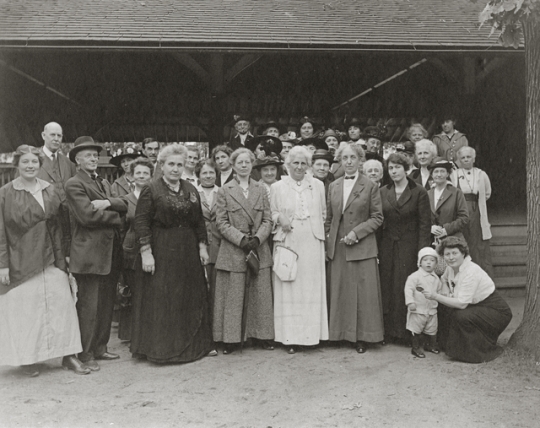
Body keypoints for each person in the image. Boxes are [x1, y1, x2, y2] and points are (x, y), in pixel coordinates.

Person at [0, 145, 88, 377]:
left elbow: (62, 224)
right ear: (17, 165)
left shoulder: (51, 190)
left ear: (40, 166)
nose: (30, 166)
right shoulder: (5, 193)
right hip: (22, 257)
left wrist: (66, 254)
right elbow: (1, 232)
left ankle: (69, 355)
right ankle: (28, 359)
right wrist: (3, 264)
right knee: (27, 310)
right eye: (25, 162)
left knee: (62, 304)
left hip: (53, 254)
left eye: (34, 163)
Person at [131, 143, 213, 363]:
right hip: (162, 247)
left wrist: (202, 247)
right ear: (162, 165)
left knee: (189, 295)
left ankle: (191, 346)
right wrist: (146, 252)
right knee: (164, 297)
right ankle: (163, 351)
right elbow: (141, 222)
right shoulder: (152, 188)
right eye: (171, 164)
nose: (176, 169)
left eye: (180, 164)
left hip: (187, 249)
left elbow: (198, 221)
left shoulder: (190, 189)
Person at [66, 136, 128, 371]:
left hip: (109, 253)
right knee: (89, 307)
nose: (93, 158)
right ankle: (85, 353)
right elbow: (87, 216)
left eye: (95, 155)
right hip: (89, 255)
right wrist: (116, 215)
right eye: (88, 156)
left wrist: (107, 204)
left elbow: (125, 203)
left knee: (105, 304)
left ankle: (100, 347)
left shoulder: (101, 182)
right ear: (78, 161)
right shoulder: (74, 183)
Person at [214, 148, 274, 354]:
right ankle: (231, 339)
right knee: (233, 296)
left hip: (258, 247)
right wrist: (241, 240)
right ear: (233, 165)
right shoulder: (224, 190)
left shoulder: (261, 189)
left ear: (252, 164)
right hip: (234, 250)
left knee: (261, 294)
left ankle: (262, 335)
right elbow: (220, 223)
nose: (243, 165)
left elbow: (268, 219)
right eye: (239, 162)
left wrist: (258, 238)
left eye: (247, 162)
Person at [326, 143, 384, 353]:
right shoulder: (334, 185)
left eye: (353, 158)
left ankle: (362, 337)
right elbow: (329, 218)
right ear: (340, 162)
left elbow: (377, 218)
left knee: (361, 293)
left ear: (360, 161)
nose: (349, 162)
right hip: (338, 248)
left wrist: (356, 233)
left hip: (361, 247)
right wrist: (327, 242)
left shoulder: (370, 186)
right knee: (340, 290)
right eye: (345, 158)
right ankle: (339, 334)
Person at [271, 146, 328, 354]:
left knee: (310, 287)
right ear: (288, 165)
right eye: (295, 162)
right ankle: (290, 337)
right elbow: (272, 213)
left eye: (303, 163)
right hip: (288, 238)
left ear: (308, 166)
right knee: (290, 286)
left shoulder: (318, 185)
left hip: (312, 240)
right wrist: (280, 218)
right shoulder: (277, 187)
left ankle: (311, 336)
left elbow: (323, 213)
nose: (299, 166)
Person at [421, 237, 512, 363]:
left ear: (463, 253)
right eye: (447, 254)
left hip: (496, 311)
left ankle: (479, 352)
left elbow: (462, 304)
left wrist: (436, 296)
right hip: (477, 306)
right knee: (445, 307)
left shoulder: (471, 271)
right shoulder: (450, 268)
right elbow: (443, 278)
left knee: (461, 315)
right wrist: (446, 289)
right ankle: (448, 346)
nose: (451, 257)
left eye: (455, 253)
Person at [379, 152, 432, 343]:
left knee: (406, 286)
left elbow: (425, 224)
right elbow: (379, 221)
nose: (393, 171)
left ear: (406, 168)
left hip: (410, 246)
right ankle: (388, 332)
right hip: (388, 245)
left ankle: (406, 332)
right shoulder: (383, 191)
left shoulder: (419, 191)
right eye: (390, 168)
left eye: (397, 167)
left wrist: (422, 253)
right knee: (388, 286)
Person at [118, 157, 154, 342]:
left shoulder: (155, 197)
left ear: (151, 176)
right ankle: (131, 334)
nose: (141, 176)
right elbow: (121, 228)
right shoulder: (125, 200)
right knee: (133, 291)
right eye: (138, 173)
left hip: (152, 249)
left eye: (145, 173)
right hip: (131, 251)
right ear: (132, 176)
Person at [450, 147, 494, 277]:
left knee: (477, 243)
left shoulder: (481, 174)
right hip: (460, 210)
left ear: (473, 159)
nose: (465, 160)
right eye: (463, 158)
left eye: (468, 157)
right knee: (464, 240)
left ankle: (481, 277)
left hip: (476, 211)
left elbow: (487, 193)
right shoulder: (454, 174)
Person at [37, 122, 77, 249]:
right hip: (42, 223)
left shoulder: (68, 163)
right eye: (52, 135)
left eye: (59, 136)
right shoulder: (32, 160)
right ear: (43, 135)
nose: (56, 139)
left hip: (66, 224)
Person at [195, 158, 221, 357]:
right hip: (199, 245)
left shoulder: (223, 192)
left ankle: (217, 335)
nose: (208, 176)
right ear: (198, 175)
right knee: (200, 290)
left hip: (220, 246)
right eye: (204, 173)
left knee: (217, 291)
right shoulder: (191, 193)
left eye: (211, 172)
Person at [404, 247, 443, 358]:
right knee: (416, 329)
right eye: (425, 260)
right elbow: (408, 290)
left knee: (431, 329)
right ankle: (415, 347)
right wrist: (410, 302)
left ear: (436, 263)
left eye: (432, 260)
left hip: (431, 310)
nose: (429, 263)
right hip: (417, 309)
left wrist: (440, 299)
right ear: (420, 262)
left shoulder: (436, 278)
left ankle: (430, 345)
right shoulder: (414, 277)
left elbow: (439, 291)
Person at [427, 158, 469, 245]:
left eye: (442, 171)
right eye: (436, 171)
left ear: (448, 174)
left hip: (453, 240)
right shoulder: (426, 194)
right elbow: (420, 217)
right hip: (430, 240)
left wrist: (446, 230)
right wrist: (430, 227)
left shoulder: (456, 193)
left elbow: (464, 218)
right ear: (431, 174)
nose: (439, 174)